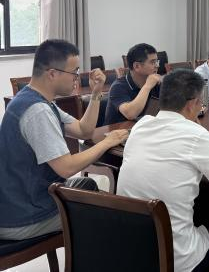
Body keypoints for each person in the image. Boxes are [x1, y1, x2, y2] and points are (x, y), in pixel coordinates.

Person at [0, 39, 129, 240]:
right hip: (24, 214)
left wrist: (96, 92)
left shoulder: (36, 99)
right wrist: (107, 142)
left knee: (88, 186)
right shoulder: (37, 111)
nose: (77, 78)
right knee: (108, 213)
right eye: (74, 72)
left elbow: (84, 131)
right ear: (52, 73)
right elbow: (67, 167)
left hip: (26, 198)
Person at [117, 69, 209, 272]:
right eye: (201, 103)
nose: (201, 108)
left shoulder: (142, 125)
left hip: (134, 251)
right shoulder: (197, 135)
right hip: (177, 261)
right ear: (192, 104)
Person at [105, 43, 162, 125]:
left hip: (144, 128)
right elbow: (130, 114)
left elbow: (168, 110)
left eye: (157, 61)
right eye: (152, 62)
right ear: (137, 66)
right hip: (118, 131)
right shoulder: (118, 87)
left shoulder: (156, 84)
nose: (157, 66)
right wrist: (147, 87)